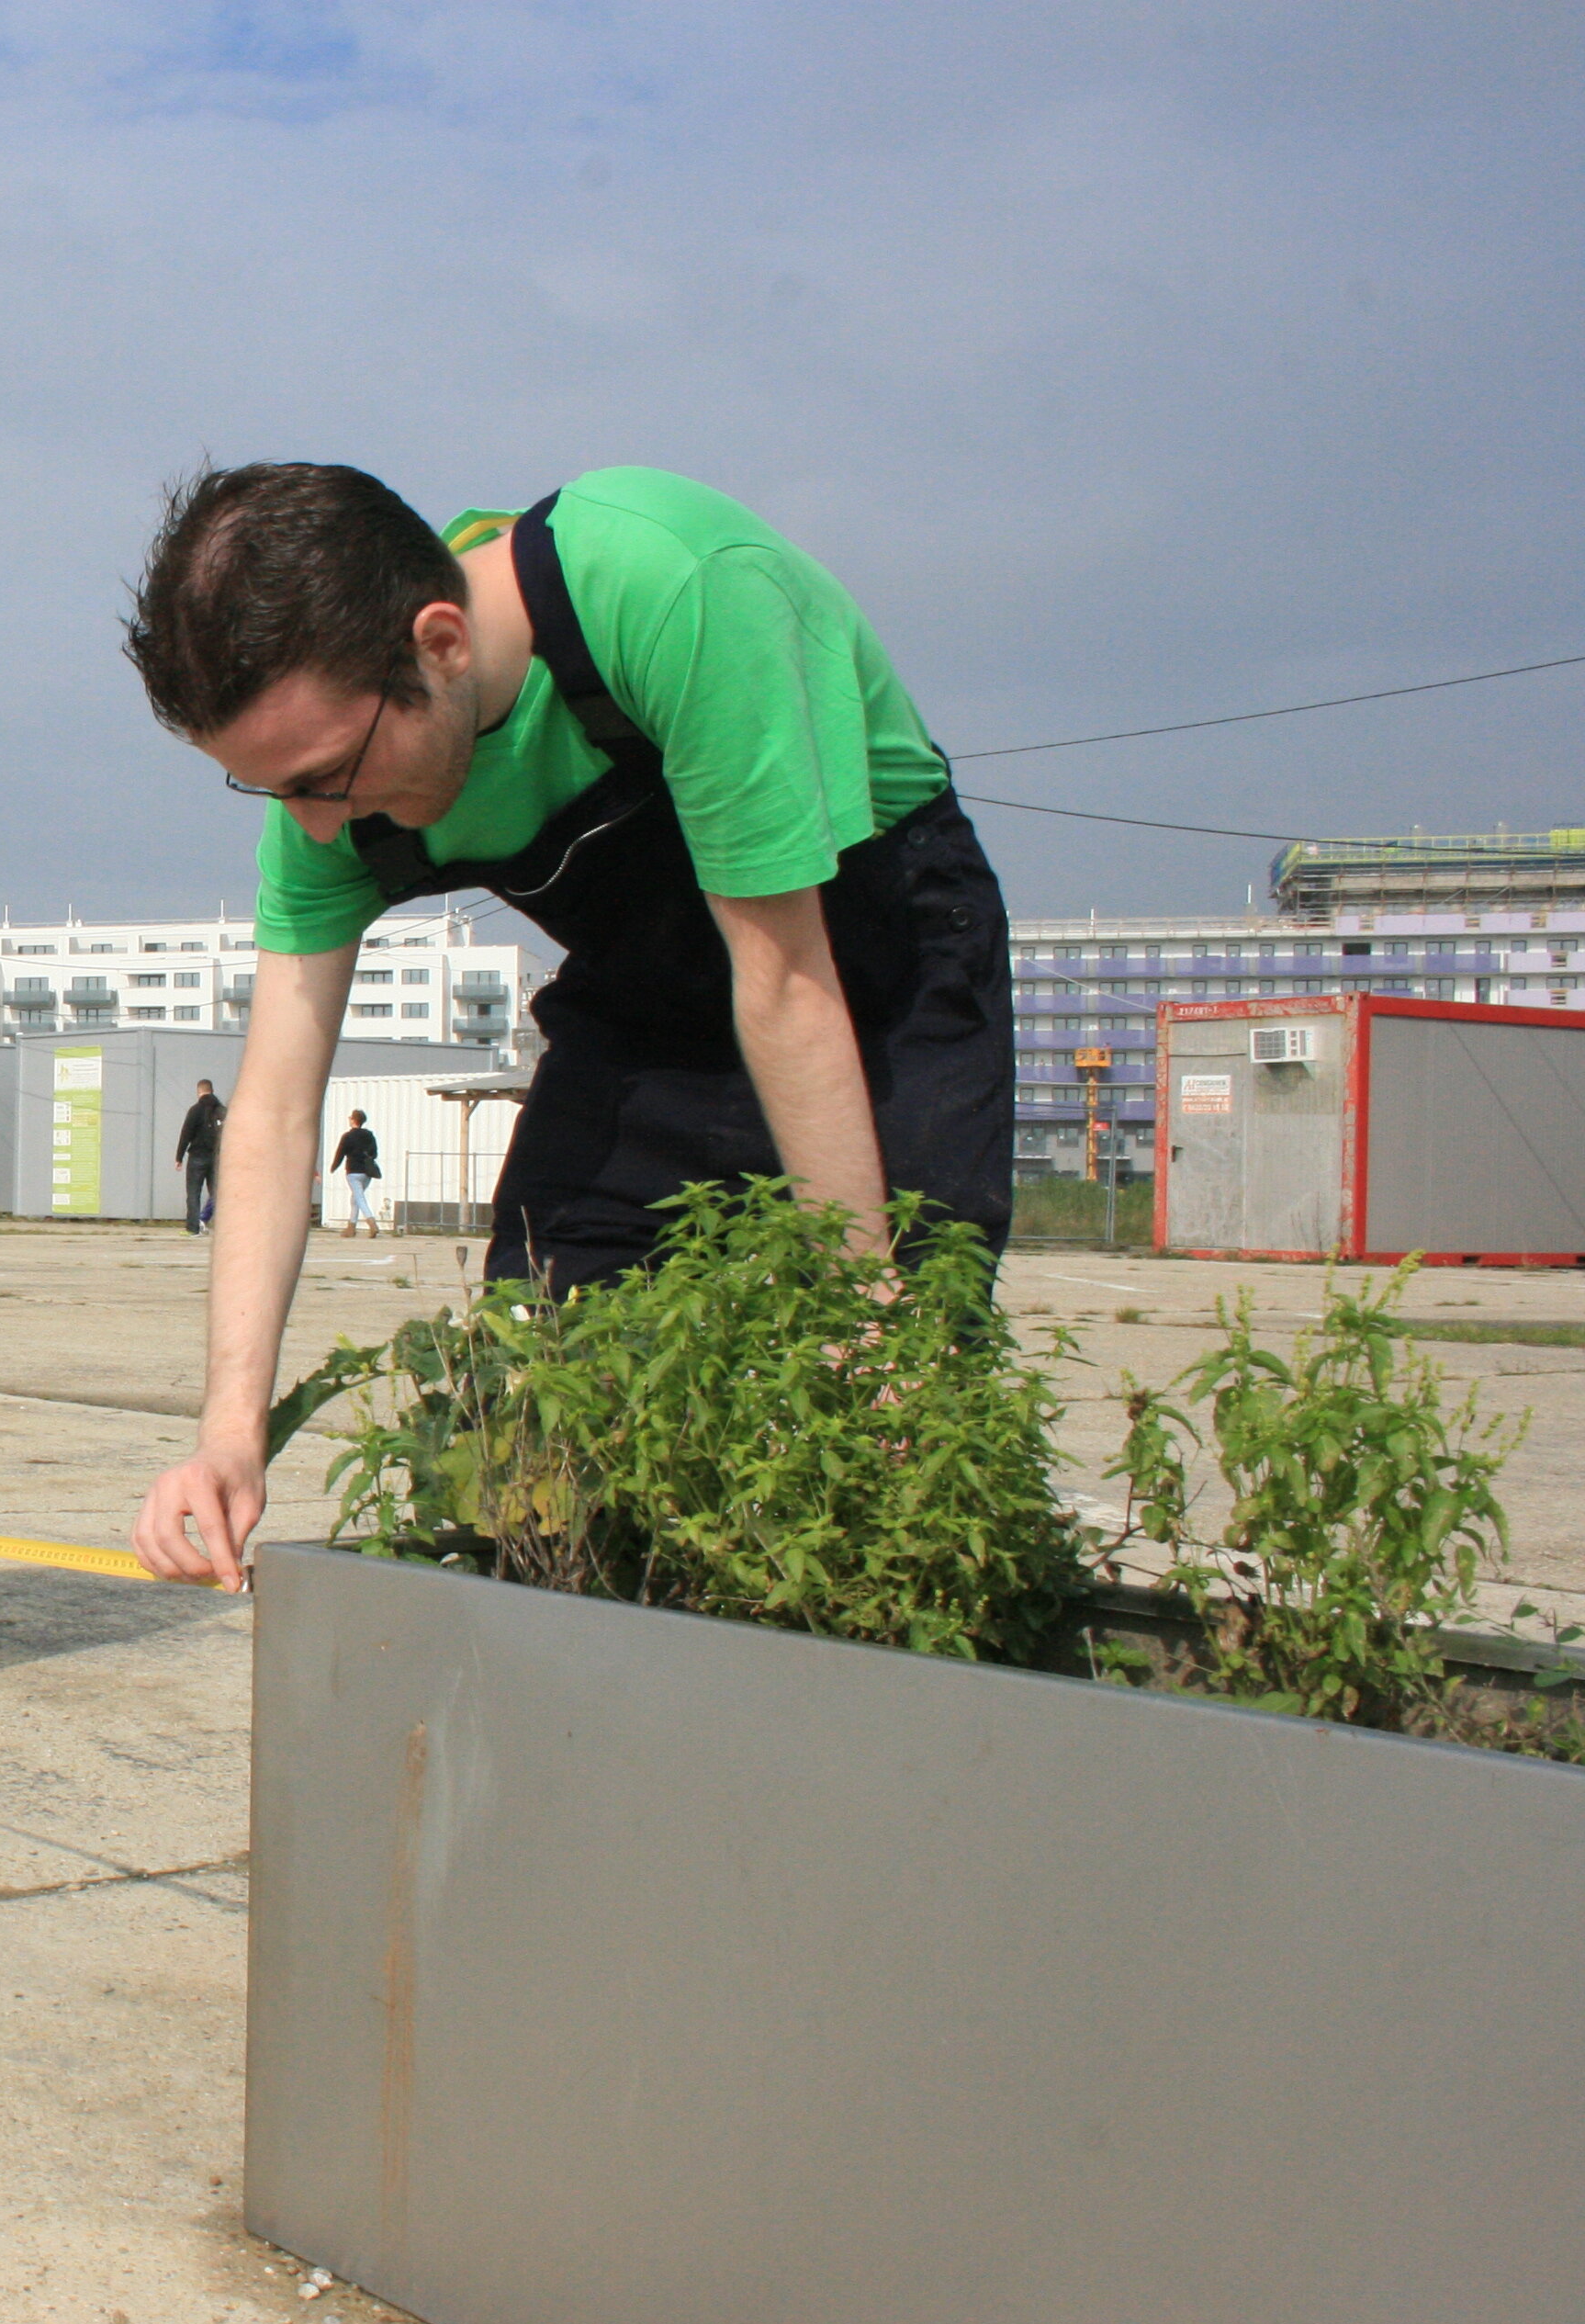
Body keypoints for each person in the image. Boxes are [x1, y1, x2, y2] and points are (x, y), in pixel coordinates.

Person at [118, 464, 1013, 1587]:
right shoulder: (327, 799)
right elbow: (277, 1109)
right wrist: (231, 1435)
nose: (313, 824)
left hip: (865, 957)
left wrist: (868, 1316)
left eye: (325, 777)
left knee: (892, 1406)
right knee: (545, 1379)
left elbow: (785, 982)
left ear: (440, 646)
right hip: (650, 990)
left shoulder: (667, 587)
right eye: (267, 790)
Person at [174, 1078, 223, 1234]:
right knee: (217, 1193)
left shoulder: (195, 1110)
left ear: (199, 1091)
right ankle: (225, 1229)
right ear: (212, 1090)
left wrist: (179, 1157)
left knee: (194, 1193)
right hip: (216, 1158)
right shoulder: (222, 1111)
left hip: (197, 1157)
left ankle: (193, 1229)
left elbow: (186, 1134)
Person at [330, 1108, 381, 1236]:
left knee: (359, 1197)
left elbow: (340, 1154)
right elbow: (374, 1153)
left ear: (353, 1120)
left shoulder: (348, 1136)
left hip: (353, 1171)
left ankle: (372, 1223)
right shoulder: (369, 1135)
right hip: (367, 1172)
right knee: (355, 1198)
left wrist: (333, 1167)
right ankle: (351, 1228)